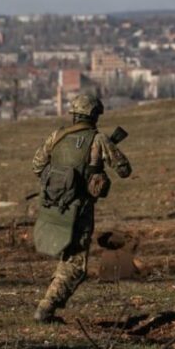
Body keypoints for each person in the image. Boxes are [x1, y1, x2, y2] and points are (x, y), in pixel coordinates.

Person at [31, 92, 131, 323]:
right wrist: (97, 170)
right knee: (75, 264)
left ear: (74, 114)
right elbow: (125, 170)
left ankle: (46, 308)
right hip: (80, 209)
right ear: (95, 115)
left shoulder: (56, 136)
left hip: (53, 206)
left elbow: (37, 166)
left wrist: (61, 183)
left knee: (65, 256)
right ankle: (45, 309)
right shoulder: (98, 139)